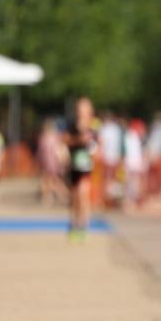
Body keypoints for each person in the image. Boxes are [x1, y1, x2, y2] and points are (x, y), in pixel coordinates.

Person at [65, 97, 97, 242]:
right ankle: (74, 223)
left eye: (84, 110)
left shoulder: (94, 127)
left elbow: (98, 146)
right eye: (79, 110)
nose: (81, 113)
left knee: (83, 193)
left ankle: (84, 224)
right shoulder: (72, 126)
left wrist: (93, 149)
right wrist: (78, 140)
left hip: (87, 167)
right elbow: (65, 140)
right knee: (74, 197)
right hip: (73, 166)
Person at [36, 118, 68, 206]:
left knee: (51, 180)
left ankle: (60, 195)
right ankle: (48, 197)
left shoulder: (49, 138)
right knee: (50, 180)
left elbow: (41, 152)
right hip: (51, 162)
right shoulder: (54, 137)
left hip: (51, 162)